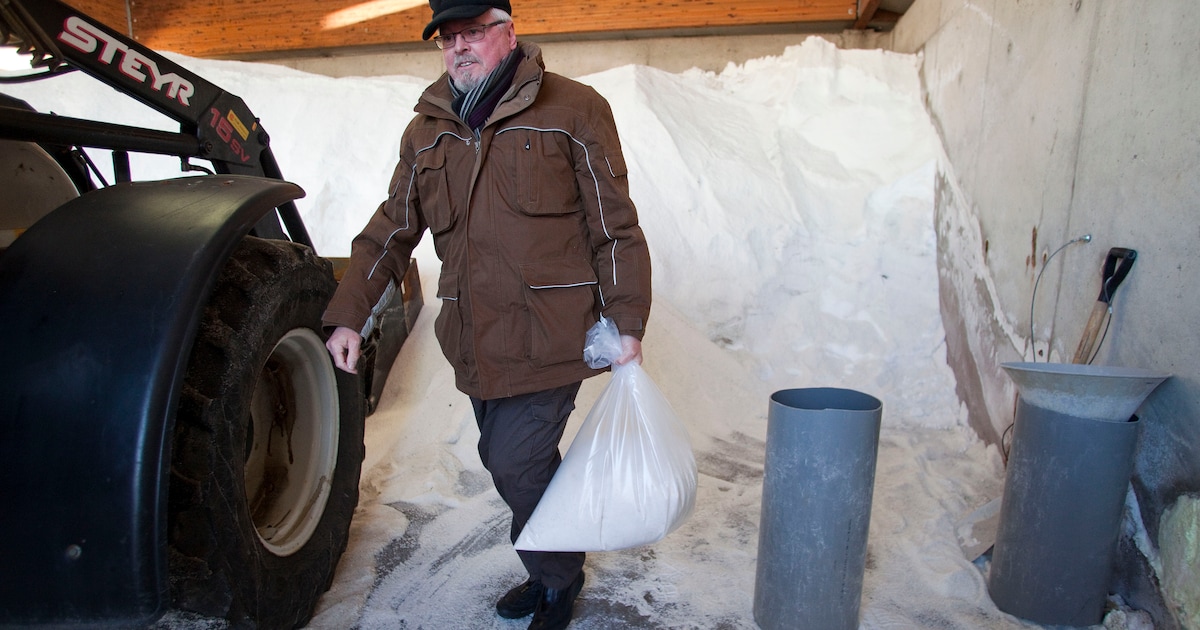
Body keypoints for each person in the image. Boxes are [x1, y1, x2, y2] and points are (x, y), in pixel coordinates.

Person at [321, 1, 652, 628]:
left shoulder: (574, 109)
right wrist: (349, 315)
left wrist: (626, 320)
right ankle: (549, 563)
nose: (459, 48)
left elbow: (616, 227)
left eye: (473, 33)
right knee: (511, 465)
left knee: (516, 463)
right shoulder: (428, 128)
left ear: (509, 33)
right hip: (473, 339)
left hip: (551, 335)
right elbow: (394, 226)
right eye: (448, 39)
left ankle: (559, 579)